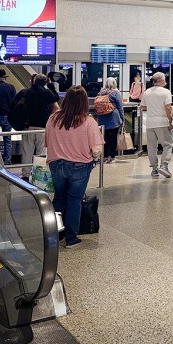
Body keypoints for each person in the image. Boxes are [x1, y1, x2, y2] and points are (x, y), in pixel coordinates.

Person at [45, 86, 103, 249]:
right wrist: (92, 158)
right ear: (84, 102)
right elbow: (97, 149)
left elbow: (47, 142)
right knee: (74, 201)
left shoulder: (53, 119)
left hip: (56, 164)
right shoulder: (88, 121)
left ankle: (55, 235)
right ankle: (71, 239)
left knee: (59, 198)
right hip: (80, 166)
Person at [15, 74, 59, 177]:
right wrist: (51, 87)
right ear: (44, 82)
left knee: (26, 151)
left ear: (34, 81)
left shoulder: (25, 92)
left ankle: (25, 173)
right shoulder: (46, 92)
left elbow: (14, 102)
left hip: (27, 126)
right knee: (41, 152)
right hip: (42, 127)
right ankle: (39, 173)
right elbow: (55, 98)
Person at [140, 72, 173, 178]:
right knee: (167, 145)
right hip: (162, 122)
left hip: (150, 123)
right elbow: (168, 108)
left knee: (151, 147)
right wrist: (170, 121)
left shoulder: (147, 92)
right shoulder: (166, 92)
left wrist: (152, 107)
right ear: (162, 81)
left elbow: (143, 107)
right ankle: (164, 165)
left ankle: (154, 169)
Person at [96, 78, 124, 164]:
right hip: (114, 118)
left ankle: (104, 157)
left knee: (104, 138)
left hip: (102, 118)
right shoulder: (115, 93)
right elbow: (120, 107)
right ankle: (112, 157)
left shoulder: (100, 93)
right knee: (113, 138)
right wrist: (122, 118)